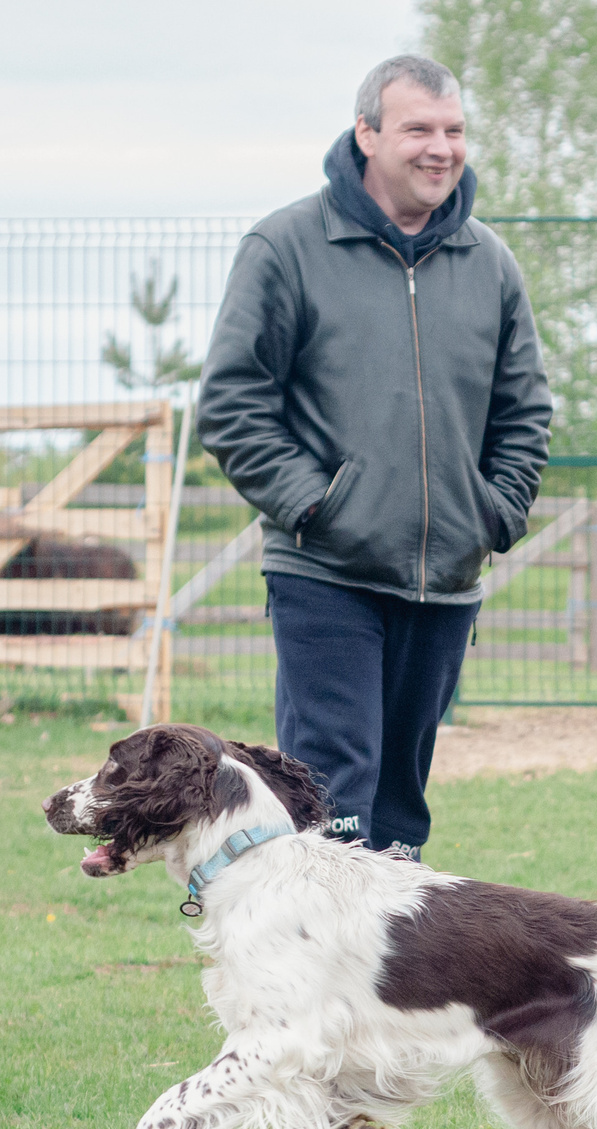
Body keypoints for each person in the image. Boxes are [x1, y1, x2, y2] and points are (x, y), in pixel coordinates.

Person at [201, 53, 553, 856]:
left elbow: (525, 408)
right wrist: (317, 506)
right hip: (328, 575)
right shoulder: (287, 247)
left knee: (399, 810)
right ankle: (308, 976)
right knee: (331, 795)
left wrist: (494, 512)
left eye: (454, 130)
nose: (441, 148)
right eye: (418, 129)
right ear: (366, 133)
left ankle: (390, 981)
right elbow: (231, 401)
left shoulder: (490, 262)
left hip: (447, 579)